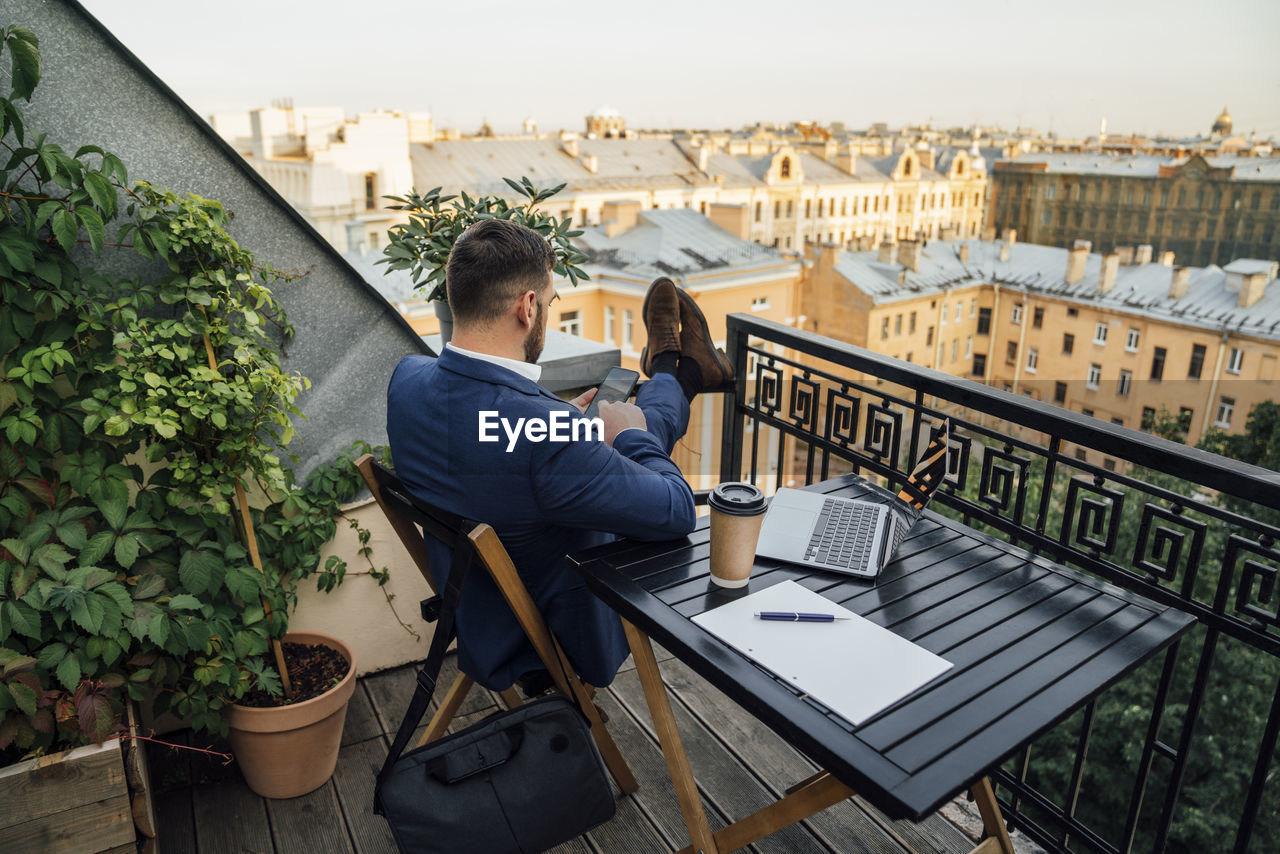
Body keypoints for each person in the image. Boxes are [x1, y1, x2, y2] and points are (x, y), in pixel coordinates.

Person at [386, 217, 732, 694]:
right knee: (639, 427)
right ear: (528, 308)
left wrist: (558, 422)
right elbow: (677, 511)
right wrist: (624, 438)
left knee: (621, 424)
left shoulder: (408, 380)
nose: (548, 311)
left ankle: (679, 370)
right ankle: (680, 371)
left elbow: (483, 441)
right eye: (550, 302)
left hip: (475, 611)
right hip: (557, 629)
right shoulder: (547, 438)